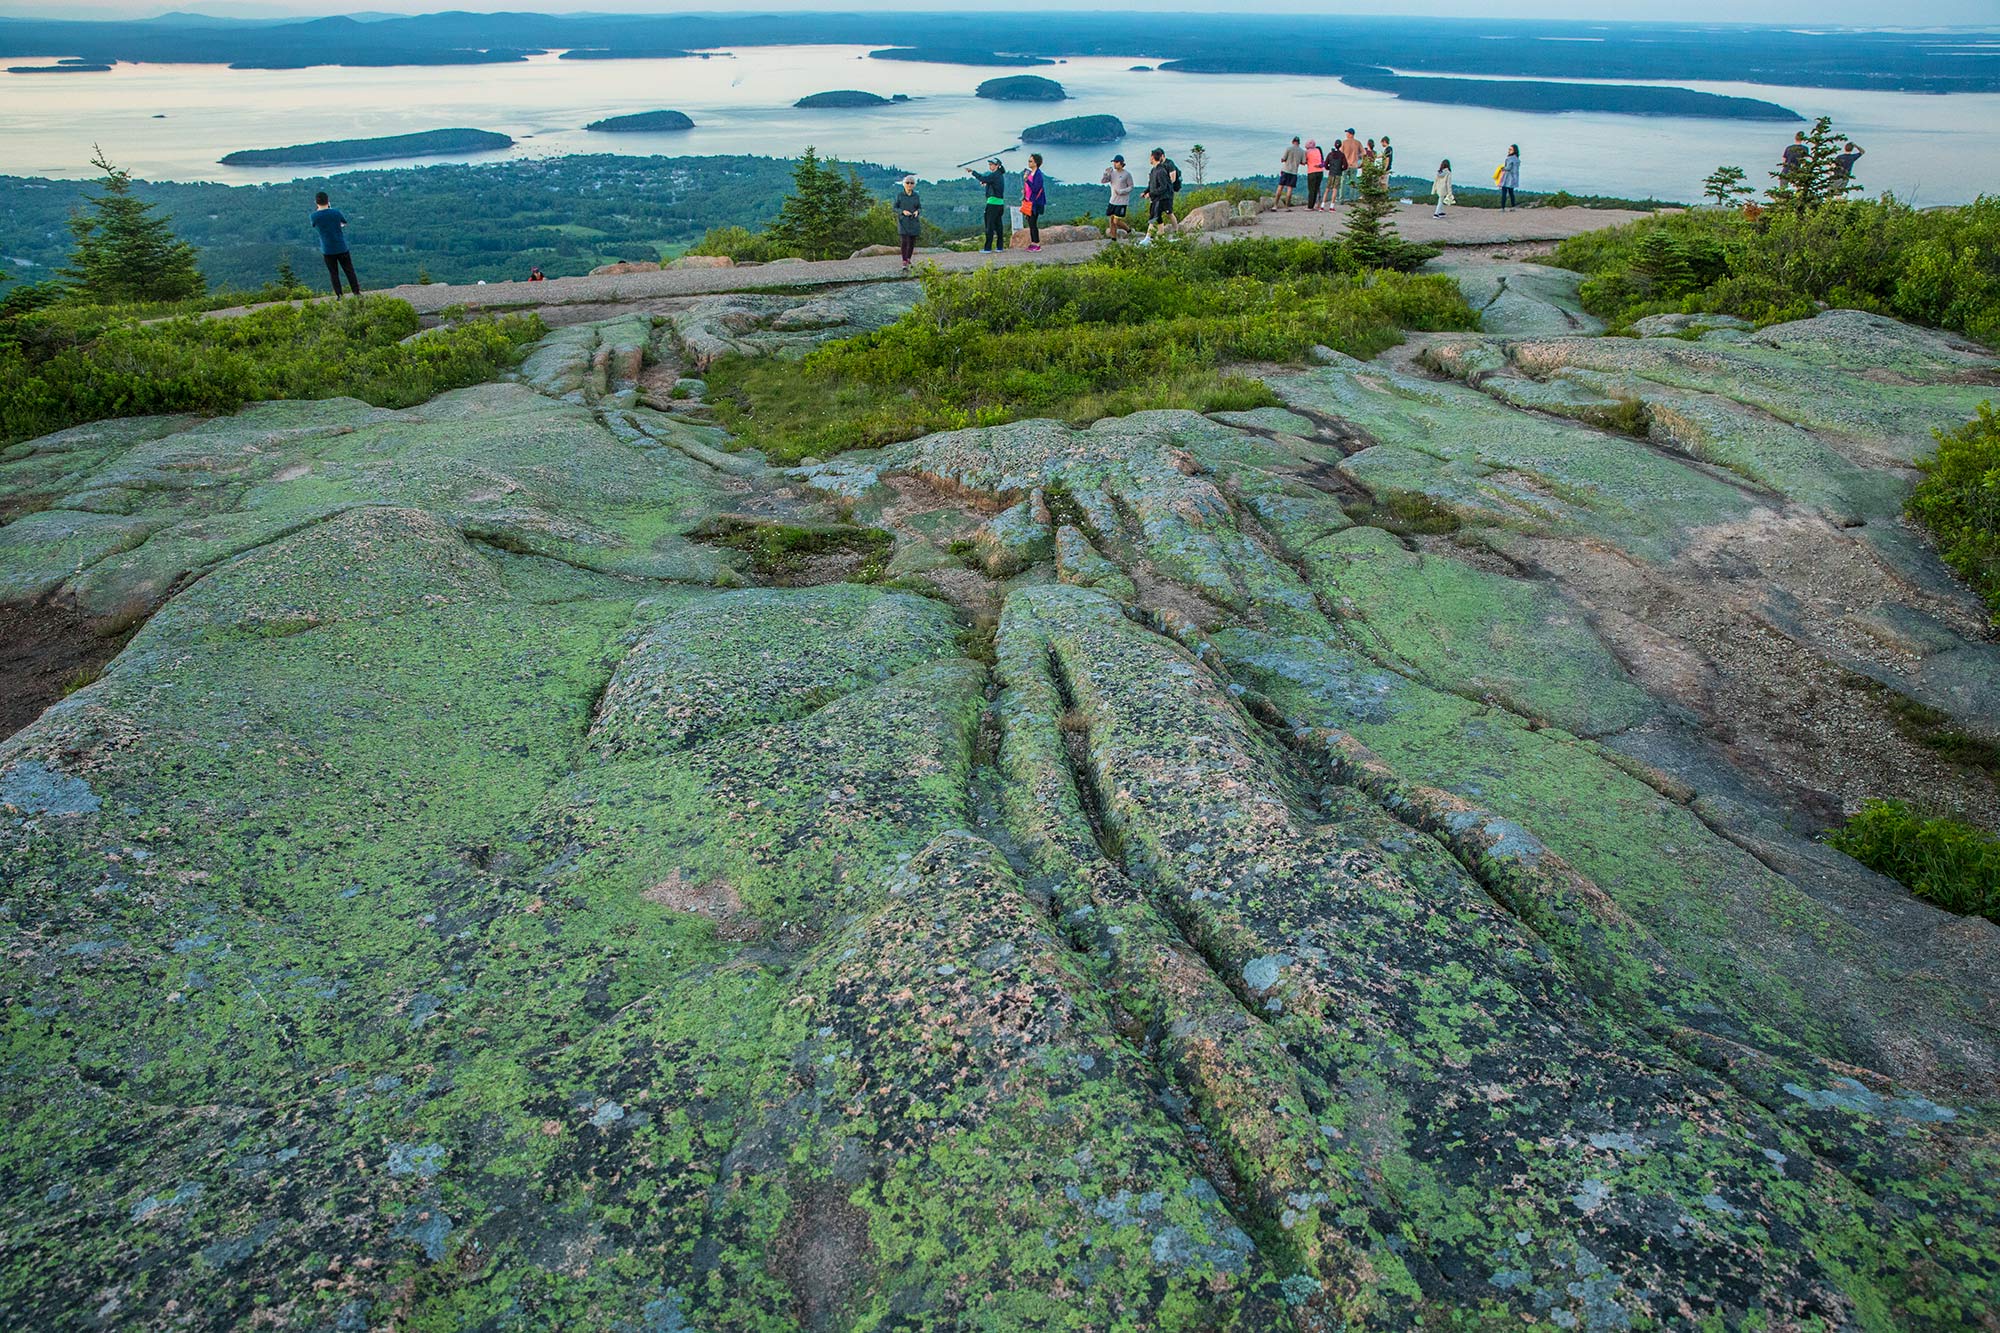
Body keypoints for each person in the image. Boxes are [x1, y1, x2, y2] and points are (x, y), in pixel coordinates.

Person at [309, 190, 359, 299]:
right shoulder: (336, 212)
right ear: (328, 201)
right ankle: (356, 292)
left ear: (316, 202)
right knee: (349, 271)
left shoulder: (314, 216)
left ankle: (339, 295)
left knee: (333, 273)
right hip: (341, 246)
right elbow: (344, 222)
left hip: (327, 249)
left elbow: (314, 225)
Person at [966, 156, 1007, 253]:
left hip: (992, 203)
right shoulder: (999, 175)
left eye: (992, 164)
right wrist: (987, 183)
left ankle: (988, 248)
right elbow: (991, 183)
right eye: (990, 164)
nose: (990, 166)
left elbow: (983, 178)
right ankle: (999, 247)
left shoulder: (994, 175)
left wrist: (973, 172)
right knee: (998, 225)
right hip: (1000, 203)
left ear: (997, 166)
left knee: (989, 225)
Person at [1101, 153, 1135, 240]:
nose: (1114, 164)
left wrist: (1122, 191)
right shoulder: (1112, 173)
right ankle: (1113, 238)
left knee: (1116, 221)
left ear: (1121, 163)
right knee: (1111, 220)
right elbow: (1103, 181)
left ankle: (1128, 230)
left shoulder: (1127, 174)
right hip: (1113, 200)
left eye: (1116, 162)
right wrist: (1106, 173)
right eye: (1114, 162)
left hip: (1122, 201)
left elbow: (1131, 187)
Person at [1145, 147, 1178, 232]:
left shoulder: (1162, 169)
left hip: (1165, 196)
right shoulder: (1153, 170)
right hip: (1157, 197)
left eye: (1150, 157)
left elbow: (1165, 185)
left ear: (1153, 157)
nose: (1149, 159)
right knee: (1156, 216)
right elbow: (1151, 184)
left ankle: (1176, 231)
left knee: (1168, 213)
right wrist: (1146, 192)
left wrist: (1152, 193)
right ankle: (1159, 234)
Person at [1020, 153, 1048, 251]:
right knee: (1031, 223)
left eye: (1031, 161)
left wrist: (1027, 180)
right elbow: (1030, 188)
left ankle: (1037, 243)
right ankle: (1033, 242)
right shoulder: (1032, 173)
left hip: (1035, 203)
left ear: (1036, 163)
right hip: (1029, 202)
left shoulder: (1038, 174)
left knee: (1033, 223)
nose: (1029, 163)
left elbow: (1036, 188)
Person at [894, 175, 923, 268]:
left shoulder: (916, 195)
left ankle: (909, 259)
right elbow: (895, 208)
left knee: (912, 241)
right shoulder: (900, 195)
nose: (909, 185)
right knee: (904, 241)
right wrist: (903, 211)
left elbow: (919, 207)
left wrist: (917, 212)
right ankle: (904, 261)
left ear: (914, 185)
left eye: (912, 183)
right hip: (903, 222)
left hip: (913, 221)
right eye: (907, 183)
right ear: (904, 184)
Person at [1278, 135, 1305, 208]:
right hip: (1294, 172)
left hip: (1285, 170)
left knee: (1280, 187)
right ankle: (1287, 206)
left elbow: (1283, 159)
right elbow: (1303, 162)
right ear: (1299, 143)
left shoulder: (1288, 149)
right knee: (1289, 189)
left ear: (1293, 142)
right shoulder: (1302, 151)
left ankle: (1275, 205)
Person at [1338, 129, 1362, 203]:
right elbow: (1363, 153)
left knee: (1343, 182)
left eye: (1347, 133)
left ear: (1350, 134)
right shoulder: (1358, 143)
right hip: (1354, 165)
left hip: (1345, 165)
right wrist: (1357, 157)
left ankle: (1341, 199)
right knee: (1353, 183)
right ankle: (1352, 199)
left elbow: (1340, 153)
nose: (1346, 134)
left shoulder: (1344, 142)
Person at [1303, 138, 1326, 211]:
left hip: (1312, 172)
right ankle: (1316, 204)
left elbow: (1304, 161)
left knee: (1311, 189)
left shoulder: (1307, 152)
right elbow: (1322, 160)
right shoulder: (1318, 150)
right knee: (1316, 189)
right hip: (1320, 172)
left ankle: (1310, 206)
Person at [1499, 144, 1521, 210]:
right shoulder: (1517, 159)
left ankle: (1502, 207)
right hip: (1514, 178)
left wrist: (1502, 168)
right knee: (1511, 193)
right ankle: (1513, 207)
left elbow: (1508, 168)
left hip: (1507, 178)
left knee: (1504, 192)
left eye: (1510, 149)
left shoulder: (1509, 158)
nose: (1509, 151)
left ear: (1514, 150)